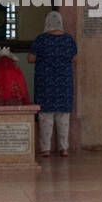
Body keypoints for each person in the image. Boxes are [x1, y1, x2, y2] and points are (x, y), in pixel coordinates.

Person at [28, 11, 77, 157]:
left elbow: (31, 58)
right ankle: (64, 148)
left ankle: (46, 149)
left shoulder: (41, 40)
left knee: (46, 117)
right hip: (64, 83)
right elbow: (75, 58)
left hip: (46, 83)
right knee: (63, 117)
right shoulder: (68, 40)